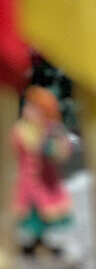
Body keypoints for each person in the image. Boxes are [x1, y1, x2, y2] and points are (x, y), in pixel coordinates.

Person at [12, 87, 73, 257]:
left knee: (45, 214)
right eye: (27, 106)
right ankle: (35, 242)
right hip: (26, 184)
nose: (27, 110)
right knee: (30, 215)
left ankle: (41, 243)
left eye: (33, 107)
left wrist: (55, 143)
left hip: (46, 183)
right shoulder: (20, 130)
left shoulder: (51, 130)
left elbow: (62, 153)